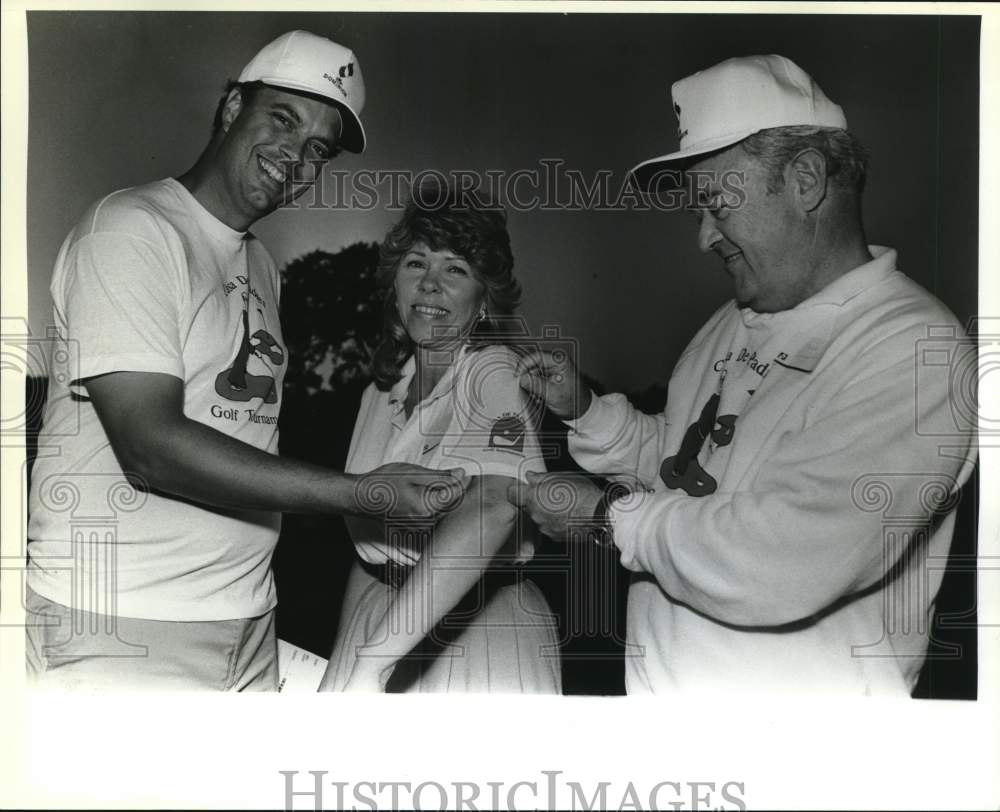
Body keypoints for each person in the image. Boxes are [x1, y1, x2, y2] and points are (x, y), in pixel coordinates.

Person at [514, 54, 977, 696]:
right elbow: (690, 470)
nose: (704, 238)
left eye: (718, 208)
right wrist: (588, 413)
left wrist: (605, 518)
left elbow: (779, 560)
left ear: (807, 180)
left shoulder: (913, 348)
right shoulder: (732, 320)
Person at [25, 30, 466, 691]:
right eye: (281, 120)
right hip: (122, 619)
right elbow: (150, 445)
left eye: (318, 148)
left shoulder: (260, 263)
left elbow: (242, 426)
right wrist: (361, 491)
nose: (296, 156)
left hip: (248, 617)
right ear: (232, 108)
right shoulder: (130, 229)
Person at [319, 189, 561, 693]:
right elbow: (369, 554)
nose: (429, 284)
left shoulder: (494, 374)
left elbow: (495, 505)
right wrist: (344, 669)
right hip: (379, 626)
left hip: (479, 629)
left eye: (455, 269)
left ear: (484, 298)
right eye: (416, 263)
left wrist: (370, 665)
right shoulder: (379, 393)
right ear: (394, 284)